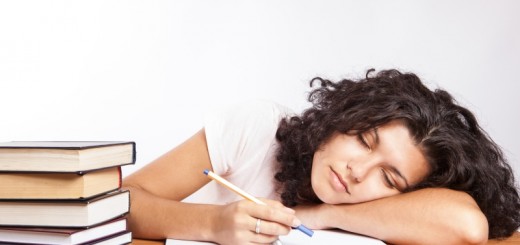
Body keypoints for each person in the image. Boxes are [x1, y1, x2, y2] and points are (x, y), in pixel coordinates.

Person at [122, 69, 520, 245]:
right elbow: (120, 202)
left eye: (390, 178)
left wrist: (319, 216)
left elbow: (466, 225)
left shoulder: (382, 211)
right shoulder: (258, 127)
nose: (358, 171)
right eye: (364, 140)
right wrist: (215, 225)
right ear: (341, 117)